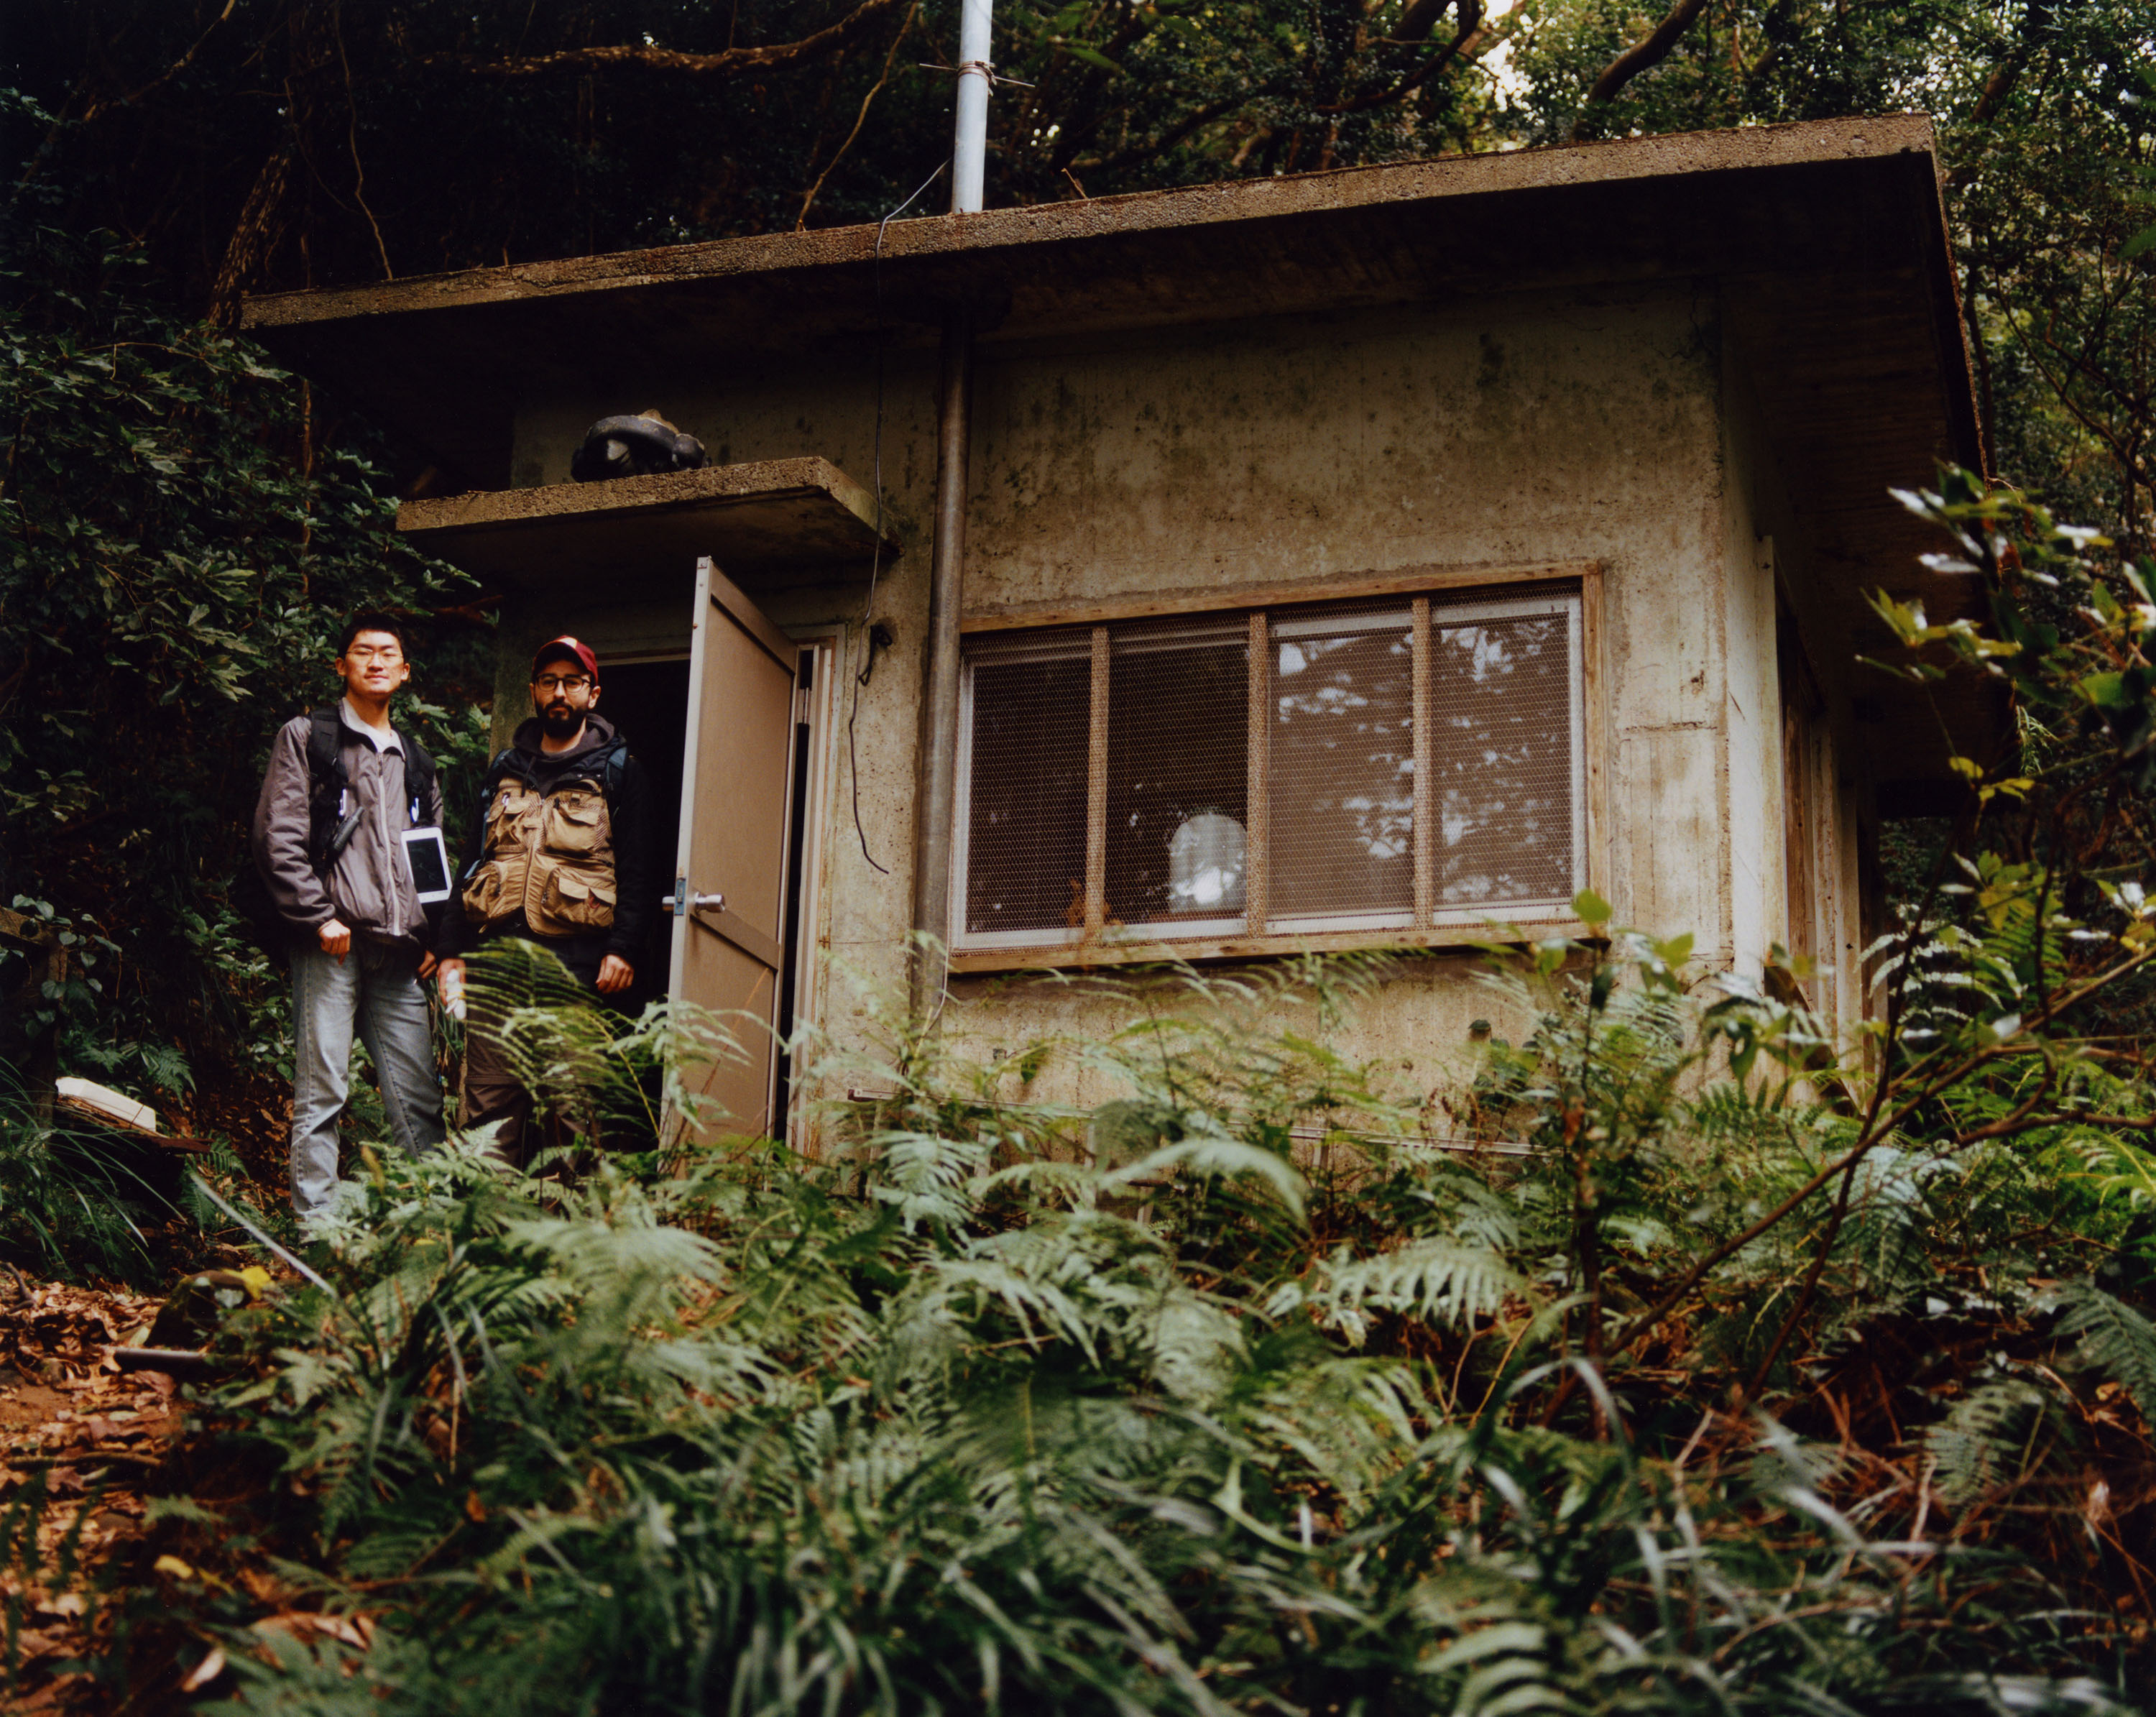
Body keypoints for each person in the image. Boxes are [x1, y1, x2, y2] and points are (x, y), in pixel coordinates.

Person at [252, 613, 446, 1220]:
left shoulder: (416, 760)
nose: (376, 662)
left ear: (405, 671)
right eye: (363, 652)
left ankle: (434, 1230)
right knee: (324, 1090)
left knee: (418, 1099)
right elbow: (277, 837)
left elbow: (432, 854)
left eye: (388, 653)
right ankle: (318, 1234)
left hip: (399, 952)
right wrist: (317, 917)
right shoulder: (310, 737)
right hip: (330, 943)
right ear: (342, 665)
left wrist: (437, 936)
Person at [436, 636, 655, 1164]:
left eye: (573, 682)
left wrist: (622, 947)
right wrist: (450, 952)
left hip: (575, 970)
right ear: (534, 691)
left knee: (573, 1113)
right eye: (550, 682)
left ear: (592, 694)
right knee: (486, 1114)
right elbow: (472, 861)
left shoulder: (621, 772)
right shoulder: (504, 770)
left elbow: (639, 868)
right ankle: (488, 1239)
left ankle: (564, 1241)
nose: (561, 692)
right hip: (497, 969)